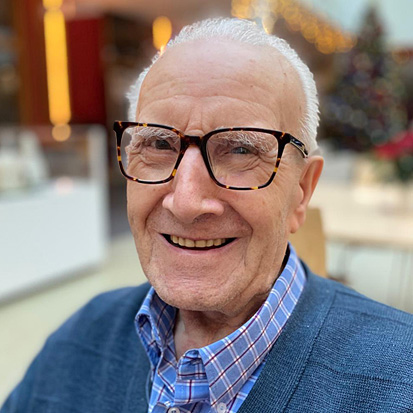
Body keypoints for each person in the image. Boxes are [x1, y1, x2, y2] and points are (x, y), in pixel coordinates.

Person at [2, 18, 413, 413]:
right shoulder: (81, 341)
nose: (185, 202)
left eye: (240, 150)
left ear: (302, 190)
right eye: (158, 144)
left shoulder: (399, 382)